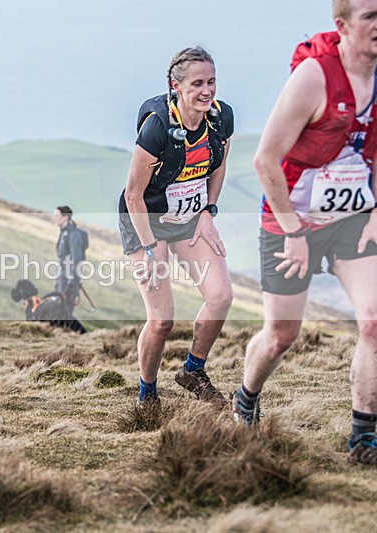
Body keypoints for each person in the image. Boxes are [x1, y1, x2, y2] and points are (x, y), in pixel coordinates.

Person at [233, 0, 377, 465]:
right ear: (343, 26)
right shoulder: (314, 76)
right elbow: (265, 159)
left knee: (373, 322)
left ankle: (363, 438)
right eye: (370, 16)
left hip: (353, 218)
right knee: (281, 335)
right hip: (290, 216)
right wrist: (293, 231)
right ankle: (247, 398)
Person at [118, 46, 234, 406]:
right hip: (145, 221)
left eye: (211, 82)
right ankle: (147, 393)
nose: (207, 91)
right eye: (197, 83)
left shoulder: (221, 117)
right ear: (176, 86)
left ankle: (192, 371)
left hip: (190, 219)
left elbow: (218, 166)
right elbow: (133, 194)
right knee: (162, 320)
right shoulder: (157, 129)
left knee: (221, 297)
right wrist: (151, 250)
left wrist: (209, 213)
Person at [52, 206, 88, 314]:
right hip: (61, 279)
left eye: (56, 215)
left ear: (65, 217)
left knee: (64, 313)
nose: (53, 218)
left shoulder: (74, 235)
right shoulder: (64, 232)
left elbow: (76, 259)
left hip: (68, 282)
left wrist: (71, 283)